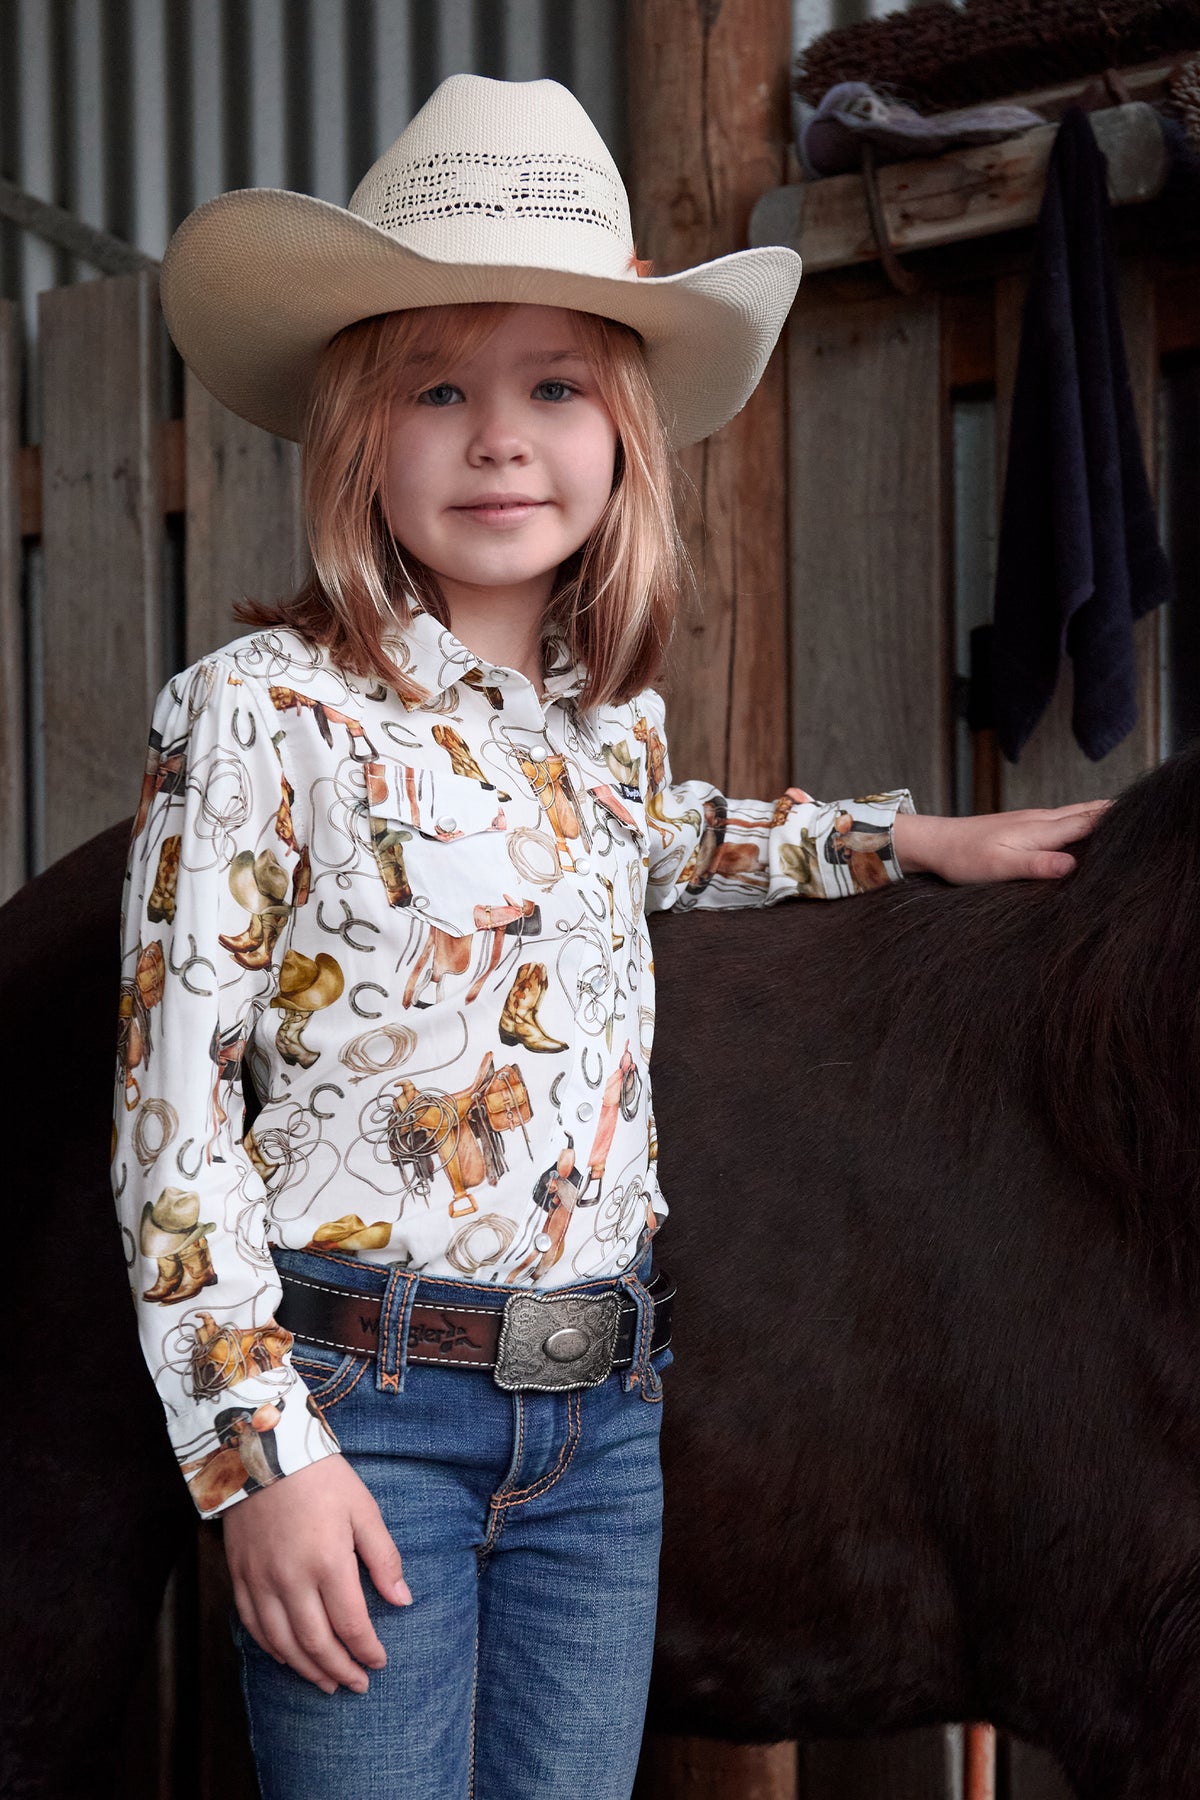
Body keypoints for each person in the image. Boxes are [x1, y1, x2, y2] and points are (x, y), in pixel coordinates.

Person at [110, 73, 1105, 1800]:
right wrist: (257, 1452)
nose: (501, 437)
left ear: (622, 434)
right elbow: (173, 1126)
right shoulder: (259, 716)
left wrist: (911, 838)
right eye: (440, 385)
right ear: (358, 427)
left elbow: (676, 836)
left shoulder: (598, 730)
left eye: (554, 386)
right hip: (365, 1406)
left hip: (604, 1422)